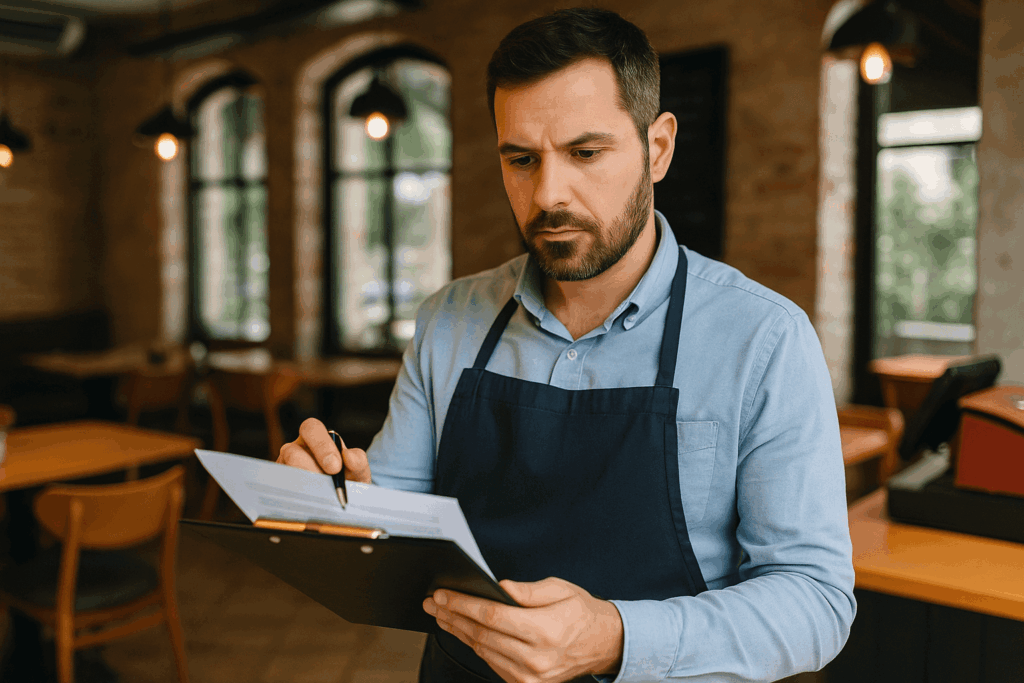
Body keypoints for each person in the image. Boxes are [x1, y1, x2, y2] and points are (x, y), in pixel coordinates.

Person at [278, 7, 855, 682]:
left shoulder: (764, 339)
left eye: (585, 153)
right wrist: (328, 502)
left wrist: (615, 636)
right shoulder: (449, 319)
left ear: (658, 147)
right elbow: (390, 526)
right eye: (521, 159)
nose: (548, 194)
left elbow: (816, 601)